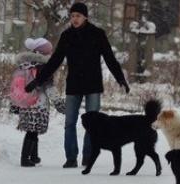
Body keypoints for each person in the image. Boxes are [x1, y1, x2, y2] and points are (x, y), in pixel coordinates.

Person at [25, 2, 129, 168]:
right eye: (72, 16)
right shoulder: (67, 36)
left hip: (93, 85)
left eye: (78, 16)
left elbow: (109, 58)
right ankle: (71, 157)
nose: (74, 19)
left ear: (85, 17)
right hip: (73, 85)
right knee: (69, 123)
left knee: (93, 124)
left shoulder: (97, 34)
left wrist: (120, 78)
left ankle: (88, 156)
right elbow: (55, 61)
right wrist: (38, 80)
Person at [11, 38, 65, 167]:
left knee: (32, 130)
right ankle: (25, 159)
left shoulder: (24, 65)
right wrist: (58, 102)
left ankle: (34, 156)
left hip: (25, 102)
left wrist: (14, 103)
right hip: (38, 102)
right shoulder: (44, 67)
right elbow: (49, 87)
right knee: (32, 131)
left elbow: (15, 86)